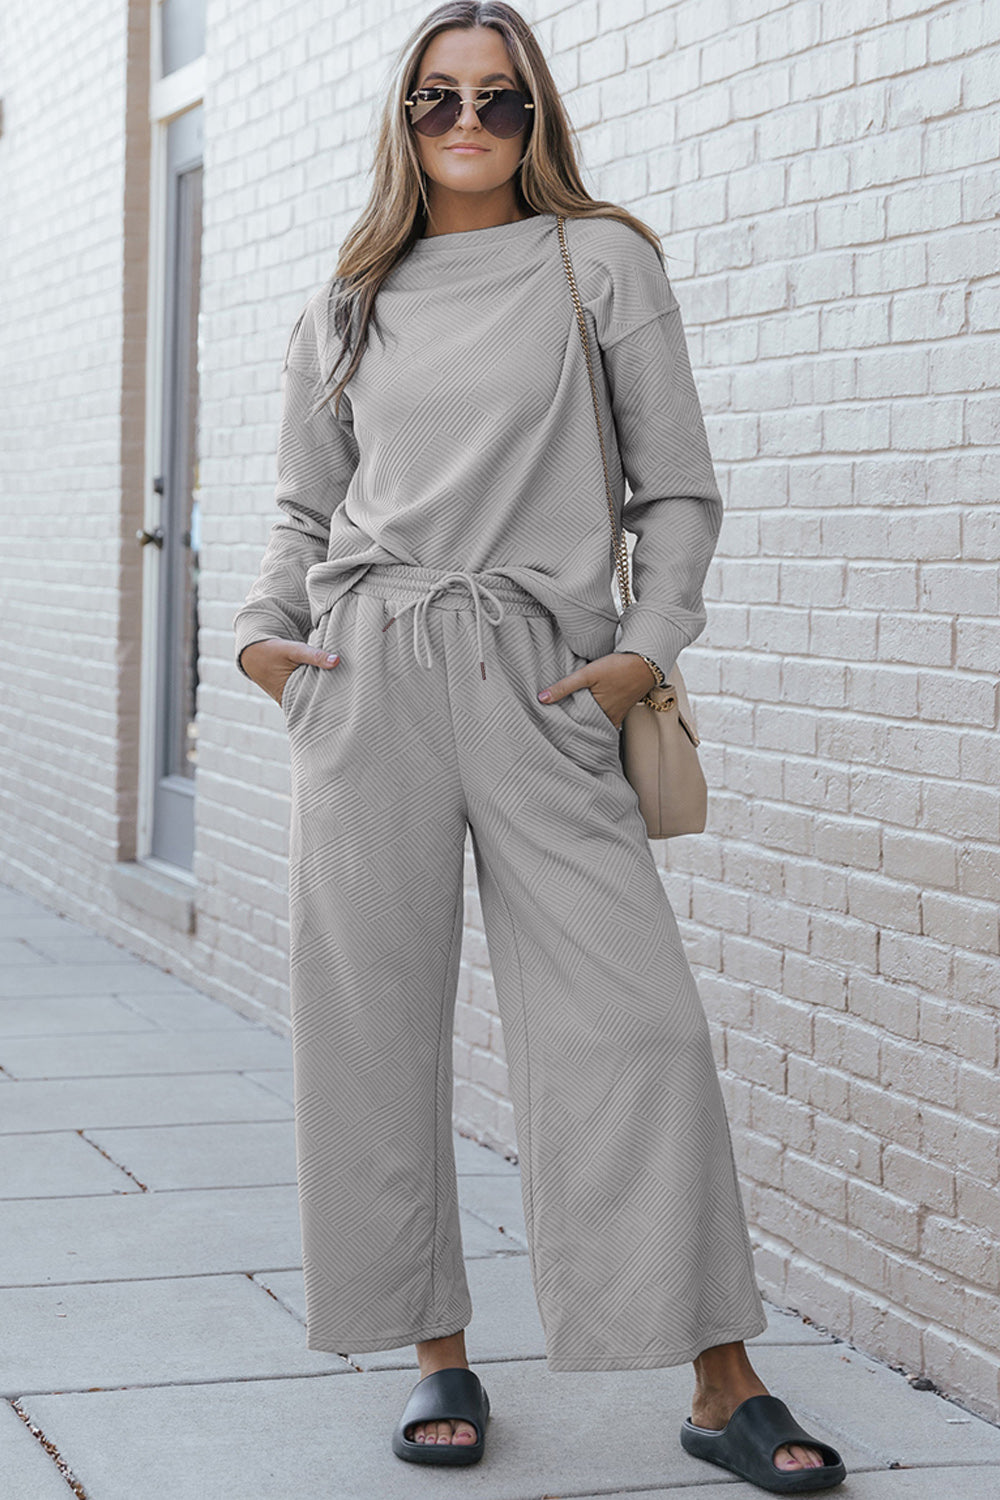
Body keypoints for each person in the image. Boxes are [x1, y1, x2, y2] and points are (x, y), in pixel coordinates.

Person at [234, 3, 846, 1492]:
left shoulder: (599, 264)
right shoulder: (350, 300)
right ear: (403, 115)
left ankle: (721, 1375)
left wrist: (647, 645)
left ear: (536, 117)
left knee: (637, 1028)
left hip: (541, 678)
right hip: (366, 671)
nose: (468, 122)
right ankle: (436, 1349)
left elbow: (677, 488)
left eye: (499, 101)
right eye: (439, 97)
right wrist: (266, 640)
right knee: (372, 1027)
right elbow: (305, 513)